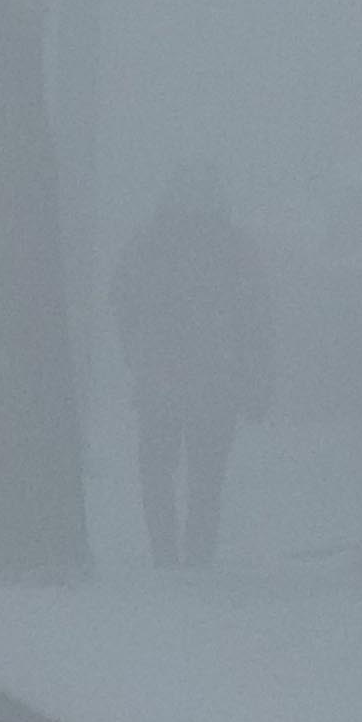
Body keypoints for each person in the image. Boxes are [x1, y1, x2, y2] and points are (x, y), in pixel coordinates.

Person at [111, 165, 271, 569]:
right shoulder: (235, 249)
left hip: (165, 378)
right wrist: (254, 377)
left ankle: (167, 556)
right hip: (214, 380)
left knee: (162, 472)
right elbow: (255, 320)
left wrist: (137, 350)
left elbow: (122, 302)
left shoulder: (148, 244)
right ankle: (195, 557)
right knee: (204, 476)